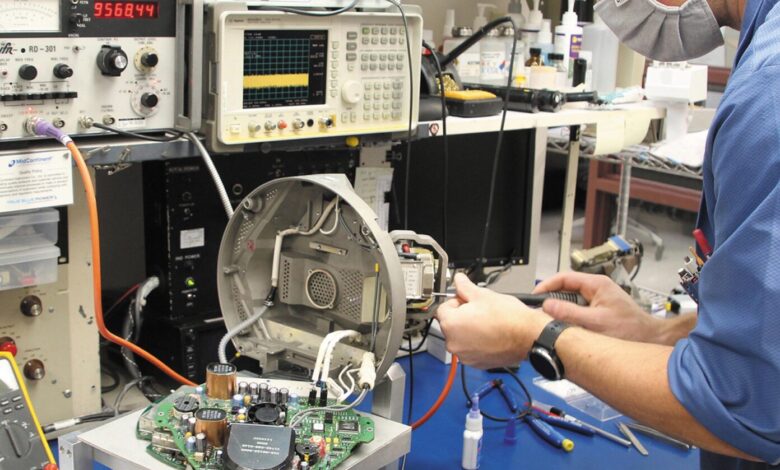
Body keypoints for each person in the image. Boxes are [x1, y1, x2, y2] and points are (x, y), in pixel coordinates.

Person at [435, 0, 780, 468]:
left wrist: (538, 338)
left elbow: (745, 400)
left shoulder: (769, 93)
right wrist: (653, 333)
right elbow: (764, 327)